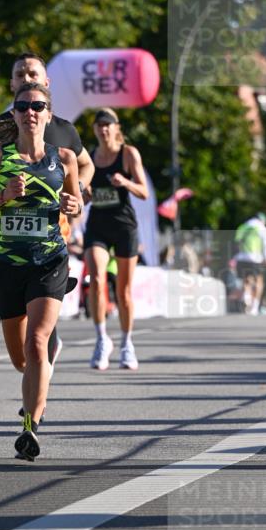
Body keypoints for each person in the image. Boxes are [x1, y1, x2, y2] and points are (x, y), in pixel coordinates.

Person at [0, 82, 83, 462]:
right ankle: (39, 377)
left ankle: (30, 427)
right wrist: (2, 197)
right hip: (9, 265)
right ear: (14, 114)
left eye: (38, 105)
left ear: (49, 115)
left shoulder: (64, 158)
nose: (30, 111)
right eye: (23, 106)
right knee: (21, 359)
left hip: (49, 262)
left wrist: (73, 205)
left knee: (37, 343)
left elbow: (75, 205)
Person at [0, 53, 95, 374]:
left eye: (32, 73)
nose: (26, 78)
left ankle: (46, 344)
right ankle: (41, 350)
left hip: (53, 233)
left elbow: (85, 166)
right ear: (11, 84)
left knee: (39, 318)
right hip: (8, 230)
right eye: (20, 74)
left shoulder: (63, 129)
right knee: (21, 342)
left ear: (46, 82)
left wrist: (76, 194)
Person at [81, 108, 148, 369]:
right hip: (97, 224)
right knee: (96, 279)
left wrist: (125, 183)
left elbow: (144, 192)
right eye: (99, 125)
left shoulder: (128, 154)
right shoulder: (89, 157)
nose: (103, 129)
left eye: (108, 124)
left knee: (124, 290)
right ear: (95, 129)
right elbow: (85, 195)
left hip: (124, 225)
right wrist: (84, 196)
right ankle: (101, 339)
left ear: (116, 127)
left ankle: (127, 344)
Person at [233, 212, 266, 314]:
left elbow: (236, 242)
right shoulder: (262, 228)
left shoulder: (242, 226)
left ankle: (246, 297)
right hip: (255, 258)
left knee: (246, 280)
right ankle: (255, 306)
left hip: (241, 257)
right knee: (258, 281)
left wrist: (235, 258)